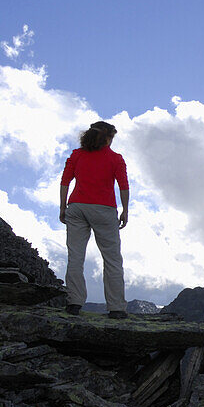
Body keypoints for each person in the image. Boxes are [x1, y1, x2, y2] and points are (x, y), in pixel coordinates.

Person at [59, 121, 130, 318]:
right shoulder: (115, 158)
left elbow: (65, 180)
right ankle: (116, 308)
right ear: (107, 137)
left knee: (75, 256)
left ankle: (74, 303)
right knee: (112, 259)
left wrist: (63, 206)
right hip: (104, 209)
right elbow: (123, 185)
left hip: (76, 207)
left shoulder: (77, 155)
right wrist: (125, 210)